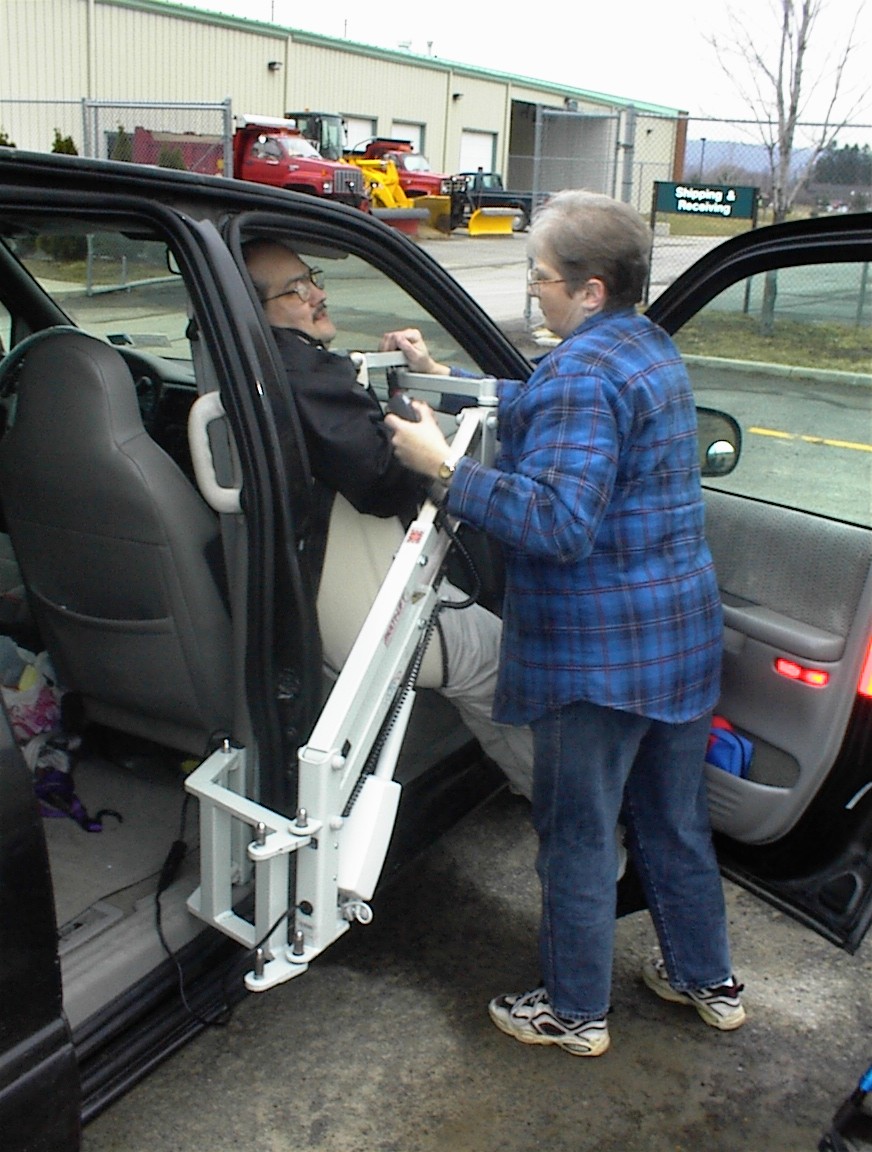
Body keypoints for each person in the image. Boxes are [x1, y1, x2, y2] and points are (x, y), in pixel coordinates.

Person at [383, 190, 744, 1058]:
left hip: (598, 662)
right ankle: (708, 981)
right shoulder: (643, 345)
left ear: (587, 288)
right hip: (676, 643)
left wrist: (444, 471)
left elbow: (557, 522)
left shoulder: (583, 373)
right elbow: (548, 400)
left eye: (540, 277)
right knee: (672, 822)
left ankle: (576, 1011)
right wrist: (440, 374)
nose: (532, 291)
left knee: (578, 837)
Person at [241, 238, 533, 799]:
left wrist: (424, 372)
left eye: (313, 278)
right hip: (371, 614)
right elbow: (378, 481)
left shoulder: (251, 365)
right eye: (296, 290)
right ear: (261, 312)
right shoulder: (303, 374)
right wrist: (424, 429)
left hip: (300, 599)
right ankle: (568, 820)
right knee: (508, 661)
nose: (317, 295)